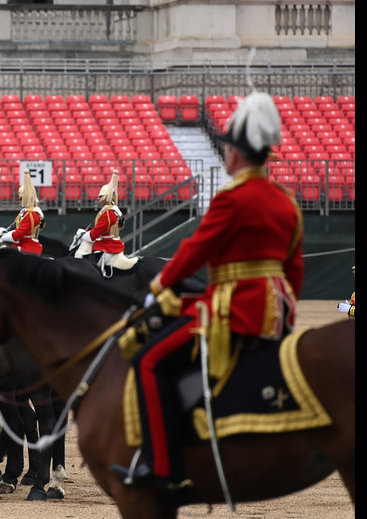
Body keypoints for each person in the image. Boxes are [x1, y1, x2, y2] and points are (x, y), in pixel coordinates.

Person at [112, 91, 304, 490]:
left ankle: (162, 467)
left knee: (149, 361)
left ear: (236, 154)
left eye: (229, 147)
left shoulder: (232, 198)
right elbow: (294, 269)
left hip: (233, 309)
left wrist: (157, 286)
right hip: (277, 311)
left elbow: (193, 251)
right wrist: (284, 311)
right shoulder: (286, 201)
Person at [80, 169, 125, 275]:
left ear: (107, 197)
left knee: (89, 271)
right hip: (113, 244)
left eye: (101, 196)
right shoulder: (114, 210)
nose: (98, 198)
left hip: (107, 246)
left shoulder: (108, 213)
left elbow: (93, 236)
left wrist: (82, 234)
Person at [0, 173, 44, 254]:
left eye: (20, 198)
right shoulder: (28, 211)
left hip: (28, 246)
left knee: (2, 249)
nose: (19, 200)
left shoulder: (31, 214)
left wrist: (3, 236)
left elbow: (18, 235)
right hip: (23, 242)